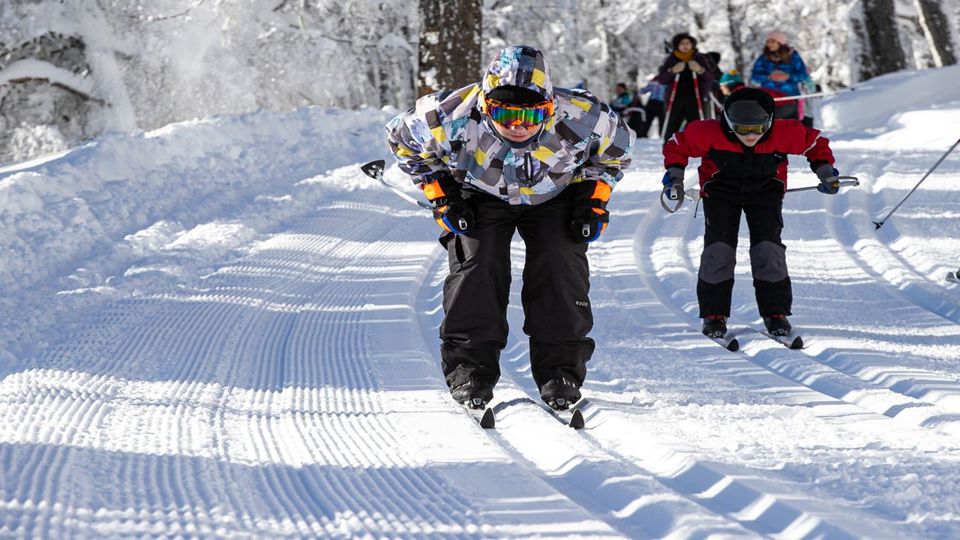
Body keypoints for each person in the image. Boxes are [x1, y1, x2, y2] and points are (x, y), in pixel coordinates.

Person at [386, 45, 635, 410]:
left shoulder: (585, 116)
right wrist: (442, 194)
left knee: (559, 260)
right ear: (486, 105)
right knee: (477, 260)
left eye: (531, 116)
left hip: (555, 193)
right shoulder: (447, 113)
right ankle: (470, 370)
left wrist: (592, 199)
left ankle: (559, 371)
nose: (517, 126)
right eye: (504, 113)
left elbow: (616, 153)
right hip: (477, 191)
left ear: (550, 108)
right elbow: (402, 142)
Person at [661, 87, 839, 339]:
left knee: (768, 248)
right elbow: (676, 145)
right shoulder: (708, 132)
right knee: (719, 249)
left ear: (769, 122)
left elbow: (815, 144)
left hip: (766, 193)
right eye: (743, 129)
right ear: (729, 122)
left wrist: (826, 172)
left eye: (758, 129)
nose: (751, 135)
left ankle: (776, 313)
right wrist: (674, 178)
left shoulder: (784, 132)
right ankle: (714, 314)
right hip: (720, 192)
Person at [654, 32, 716, 143]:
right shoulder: (671, 59)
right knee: (672, 123)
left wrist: (700, 70)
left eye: (688, 43)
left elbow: (710, 77)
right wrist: (672, 71)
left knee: (695, 124)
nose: (685, 45)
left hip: (695, 97)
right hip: (675, 98)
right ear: (677, 45)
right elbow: (661, 79)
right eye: (682, 43)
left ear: (692, 45)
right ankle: (669, 146)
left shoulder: (699, 58)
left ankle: (696, 146)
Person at [750, 30, 811, 98]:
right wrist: (769, 77)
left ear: (780, 43)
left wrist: (787, 76)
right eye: (768, 41)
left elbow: (803, 75)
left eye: (773, 41)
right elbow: (754, 77)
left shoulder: (793, 56)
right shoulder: (763, 58)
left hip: (789, 97)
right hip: (769, 98)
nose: (769, 44)